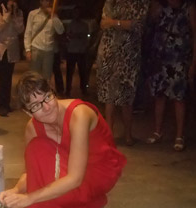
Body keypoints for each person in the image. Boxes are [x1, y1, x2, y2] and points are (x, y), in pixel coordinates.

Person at [0, 71, 126, 208]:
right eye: (36, 105)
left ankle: (91, 202)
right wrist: (17, 190)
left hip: (98, 171)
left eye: (47, 97)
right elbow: (32, 171)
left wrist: (29, 199)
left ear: (53, 92)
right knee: (36, 148)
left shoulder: (79, 114)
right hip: (71, 164)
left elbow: (75, 178)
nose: (46, 107)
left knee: (63, 193)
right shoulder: (33, 127)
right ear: (27, 112)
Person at [96, 0, 150, 145]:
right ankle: (109, 134)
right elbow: (103, 23)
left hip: (128, 54)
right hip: (108, 52)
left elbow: (138, 25)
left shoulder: (140, 3)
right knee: (109, 95)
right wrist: (121, 23)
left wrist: (114, 22)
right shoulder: (110, 2)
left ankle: (127, 134)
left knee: (127, 93)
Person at [146, 0, 196, 151]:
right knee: (159, 95)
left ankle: (179, 135)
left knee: (179, 97)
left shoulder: (189, 7)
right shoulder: (162, 7)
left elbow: (194, 34)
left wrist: (194, 63)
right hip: (160, 58)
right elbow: (151, 21)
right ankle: (157, 131)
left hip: (179, 59)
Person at [0, 0, 24, 117]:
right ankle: (1, 105)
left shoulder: (19, 12)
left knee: (9, 77)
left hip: (13, 49)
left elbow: (20, 29)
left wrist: (14, 14)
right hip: (2, 49)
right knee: (2, 78)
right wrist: (8, 14)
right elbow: (0, 27)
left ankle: (7, 103)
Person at [24, 0, 64, 81]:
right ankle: (33, 93)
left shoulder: (53, 16)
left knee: (47, 78)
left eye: (49, 1)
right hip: (36, 48)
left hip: (49, 50)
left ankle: (44, 93)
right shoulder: (33, 14)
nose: (47, 3)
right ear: (41, 2)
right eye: (45, 1)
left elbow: (61, 31)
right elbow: (28, 32)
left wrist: (54, 16)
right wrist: (28, 50)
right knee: (34, 77)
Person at [65, 6, 89, 97]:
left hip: (81, 51)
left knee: (82, 72)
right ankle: (68, 90)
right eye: (75, 13)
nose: (76, 14)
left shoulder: (84, 25)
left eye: (78, 12)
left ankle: (83, 89)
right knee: (69, 72)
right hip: (71, 50)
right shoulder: (70, 24)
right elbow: (68, 36)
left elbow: (85, 37)